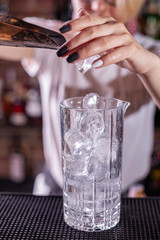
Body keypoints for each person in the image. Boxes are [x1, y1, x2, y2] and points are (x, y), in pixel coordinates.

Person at [0, 0, 160, 196]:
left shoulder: (151, 52)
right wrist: (47, 35)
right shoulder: (53, 39)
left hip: (129, 198)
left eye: (110, 1)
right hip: (59, 194)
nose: (95, 6)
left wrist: (151, 68)